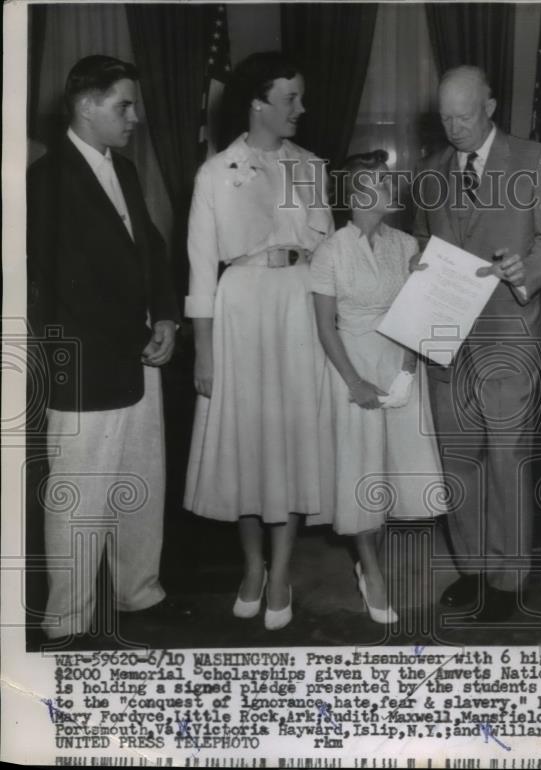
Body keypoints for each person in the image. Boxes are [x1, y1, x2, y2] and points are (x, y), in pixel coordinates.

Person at [27, 55, 181, 641]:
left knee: (140, 483)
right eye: (124, 105)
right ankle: (67, 620)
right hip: (87, 368)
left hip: (139, 357)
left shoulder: (126, 171)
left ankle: (138, 592)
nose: (135, 117)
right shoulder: (43, 183)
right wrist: (134, 335)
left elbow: (152, 249)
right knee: (79, 500)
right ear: (86, 106)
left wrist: (166, 316)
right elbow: (50, 297)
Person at [183, 52, 333, 631]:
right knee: (247, 444)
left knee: (289, 443)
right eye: (290, 98)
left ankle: (281, 572)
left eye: (299, 98)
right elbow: (200, 271)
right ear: (258, 103)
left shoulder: (312, 167)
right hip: (240, 308)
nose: (301, 108)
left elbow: (327, 255)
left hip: (298, 308)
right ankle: (251, 566)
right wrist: (204, 351)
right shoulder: (215, 173)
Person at [413, 65, 541, 623]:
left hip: (508, 333)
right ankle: (472, 570)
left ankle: (507, 577)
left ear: (490, 106)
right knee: (459, 458)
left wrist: (531, 268)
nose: (454, 128)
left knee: (508, 458)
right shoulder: (430, 171)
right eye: (445, 117)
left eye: (465, 116)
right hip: (445, 337)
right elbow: (426, 240)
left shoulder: (536, 157)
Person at [311, 150, 445, 624]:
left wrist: (409, 370)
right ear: (354, 194)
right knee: (361, 473)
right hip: (352, 367)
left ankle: (372, 560)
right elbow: (326, 328)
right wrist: (355, 382)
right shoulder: (330, 251)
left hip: (399, 364)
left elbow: (419, 310)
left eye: (388, 181)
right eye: (377, 182)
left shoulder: (407, 244)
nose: (390, 189)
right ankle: (370, 568)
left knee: (388, 473)